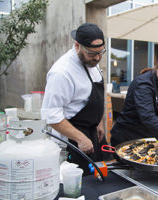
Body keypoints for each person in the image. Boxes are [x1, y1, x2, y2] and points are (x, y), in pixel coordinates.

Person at [41, 23, 109, 175]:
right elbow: (51, 115)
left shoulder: (92, 63)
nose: (97, 58)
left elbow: (93, 97)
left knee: (99, 179)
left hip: (93, 135)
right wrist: (80, 138)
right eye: (92, 53)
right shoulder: (62, 72)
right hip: (72, 142)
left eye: (101, 52)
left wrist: (99, 122)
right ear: (77, 45)